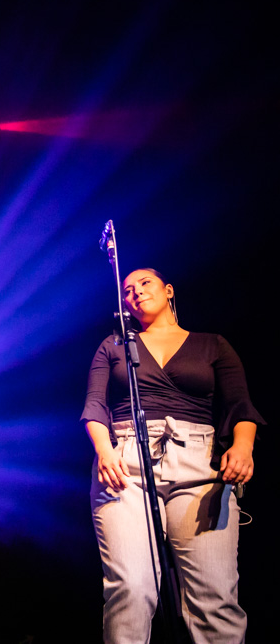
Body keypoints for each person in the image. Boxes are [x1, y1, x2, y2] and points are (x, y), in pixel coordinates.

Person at [81, 268, 264, 644]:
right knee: (130, 588)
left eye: (144, 284)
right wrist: (104, 451)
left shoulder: (212, 344)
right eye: (127, 290)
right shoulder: (112, 346)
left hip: (200, 462)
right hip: (126, 464)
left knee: (213, 597)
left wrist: (243, 447)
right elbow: (95, 406)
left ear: (168, 290)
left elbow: (240, 406)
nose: (134, 293)